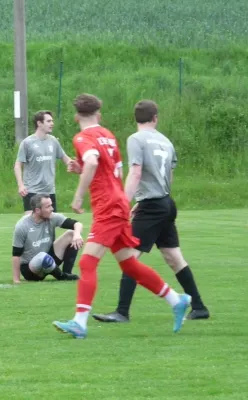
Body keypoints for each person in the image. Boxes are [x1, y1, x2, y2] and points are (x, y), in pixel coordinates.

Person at [52, 93, 191, 339]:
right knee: (129, 264)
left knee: (87, 263)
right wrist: (81, 169)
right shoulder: (108, 135)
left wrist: (78, 195)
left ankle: (79, 322)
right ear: (100, 115)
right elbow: (107, 169)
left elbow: (93, 162)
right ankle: (176, 299)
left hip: (107, 207)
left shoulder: (82, 137)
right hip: (118, 204)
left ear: (76, 117)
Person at [92, 100, 209, 323]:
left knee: (129, 257)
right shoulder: (166, 141)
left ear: (135, 118)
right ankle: (200, 307)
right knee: (173, 257)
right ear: (155, 118)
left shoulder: (136, 139)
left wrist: (123, 203)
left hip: (153, 206)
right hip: (165, 202)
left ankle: (122, 312)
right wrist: (148, 199)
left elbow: (135, 172)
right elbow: (169, 177)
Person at [14, 110, 79, 275]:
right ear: (39, 123)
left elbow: (65, 159)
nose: (52, 123)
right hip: (32, 192)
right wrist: (21, 185)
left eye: (52, 121)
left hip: (49, 193)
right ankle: (30, 265)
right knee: (31, 229)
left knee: (49, 227)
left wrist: (74, 164)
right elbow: (17, 165)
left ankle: (52, 266)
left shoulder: (53, 142)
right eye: (48, 121)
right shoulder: (28, 143)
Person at [12, 194, 82, 284]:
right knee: (42, 257)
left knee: (71, 234)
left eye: (51, 205)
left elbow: (77, 224)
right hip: (31, 270)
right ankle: (61, 276)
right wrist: (16, 280)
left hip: (49, 258)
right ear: (37, 210)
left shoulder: (52, 217)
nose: (52, 209)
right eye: (48, 206)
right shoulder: (22, 226)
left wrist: (77, 235)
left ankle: (67, 273)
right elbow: (16, 255)